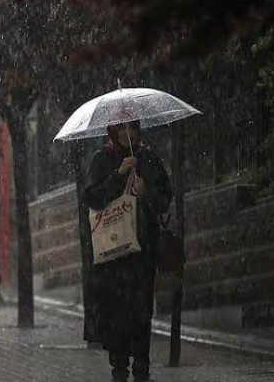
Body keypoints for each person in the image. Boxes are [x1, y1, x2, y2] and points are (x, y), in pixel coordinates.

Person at [85, 121, 172, 382]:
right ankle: (119, 370)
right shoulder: (101, 159)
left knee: (142, 312)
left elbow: (165, 199)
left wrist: (146, 192)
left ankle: (142, 369)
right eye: (121, 129)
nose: (127, 134)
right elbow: (92, 198)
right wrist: (118, 176)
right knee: (117, 313)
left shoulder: (148, 157)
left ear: (138, 130)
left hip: (142, 253)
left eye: (132, 128)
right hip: (113, 253)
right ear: (112, 131)